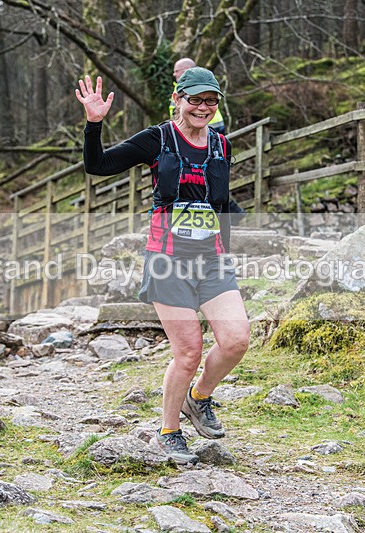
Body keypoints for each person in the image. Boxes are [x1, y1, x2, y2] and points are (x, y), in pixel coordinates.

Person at [76, 68, 250, 464]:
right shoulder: (159, 138)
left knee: (237, 339)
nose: (203, 107)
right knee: (188, 351)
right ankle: (168, 431)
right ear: (178, 99)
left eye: (211, 101)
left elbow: (220, 203)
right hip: (168, 261)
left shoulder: (222, 144)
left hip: (211, 261)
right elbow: (97, 165)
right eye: (195, 99)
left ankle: (199, 397)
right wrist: (93, 124)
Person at [170, 58, 225, 134]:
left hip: (210, 127)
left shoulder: (222, 142)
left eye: (211, 100)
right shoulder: (157, 136)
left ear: (186, 69)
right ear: (176, 99)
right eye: (195, 100)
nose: (174, 74)